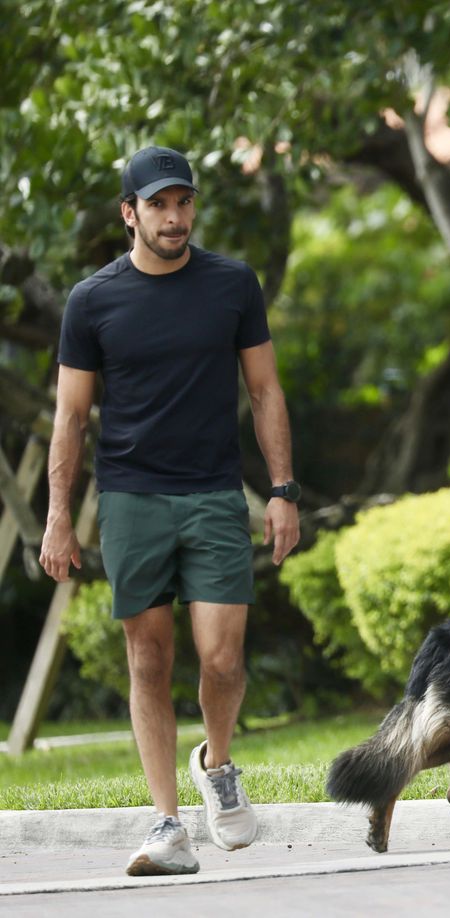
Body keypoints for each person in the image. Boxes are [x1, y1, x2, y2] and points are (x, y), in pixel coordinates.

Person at [39, 145, 302, 876]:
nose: (174, 217)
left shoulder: (231, 285)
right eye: (157, 204)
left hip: (215, 494)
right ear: (129, 213)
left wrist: (282, 492)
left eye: (183, 202)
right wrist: (60, 516)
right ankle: (167, 825)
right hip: (129, 497)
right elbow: (70, 416)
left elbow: (265, 391)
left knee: (222, 658)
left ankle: (216, 763)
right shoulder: (92, 301)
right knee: (148, 660)